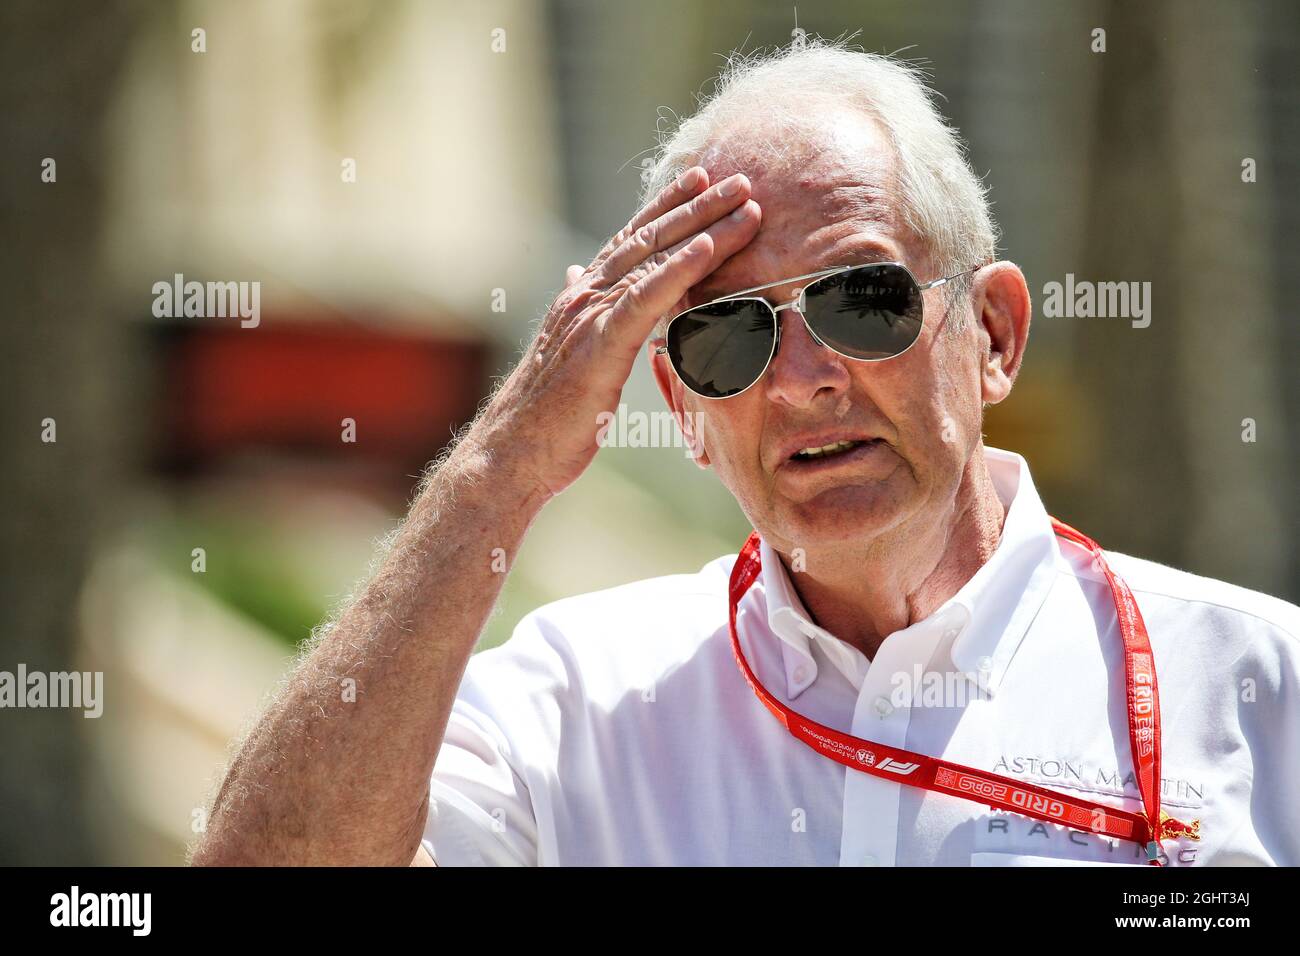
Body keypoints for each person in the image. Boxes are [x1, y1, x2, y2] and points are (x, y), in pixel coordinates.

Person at [192, 39, 1300, 867]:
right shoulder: (578, 699)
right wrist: (497, 471)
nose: (802, 376)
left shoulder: (1257, 685)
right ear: (679, 409)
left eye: (862, 300)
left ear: (994, 335)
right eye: (728, 335)